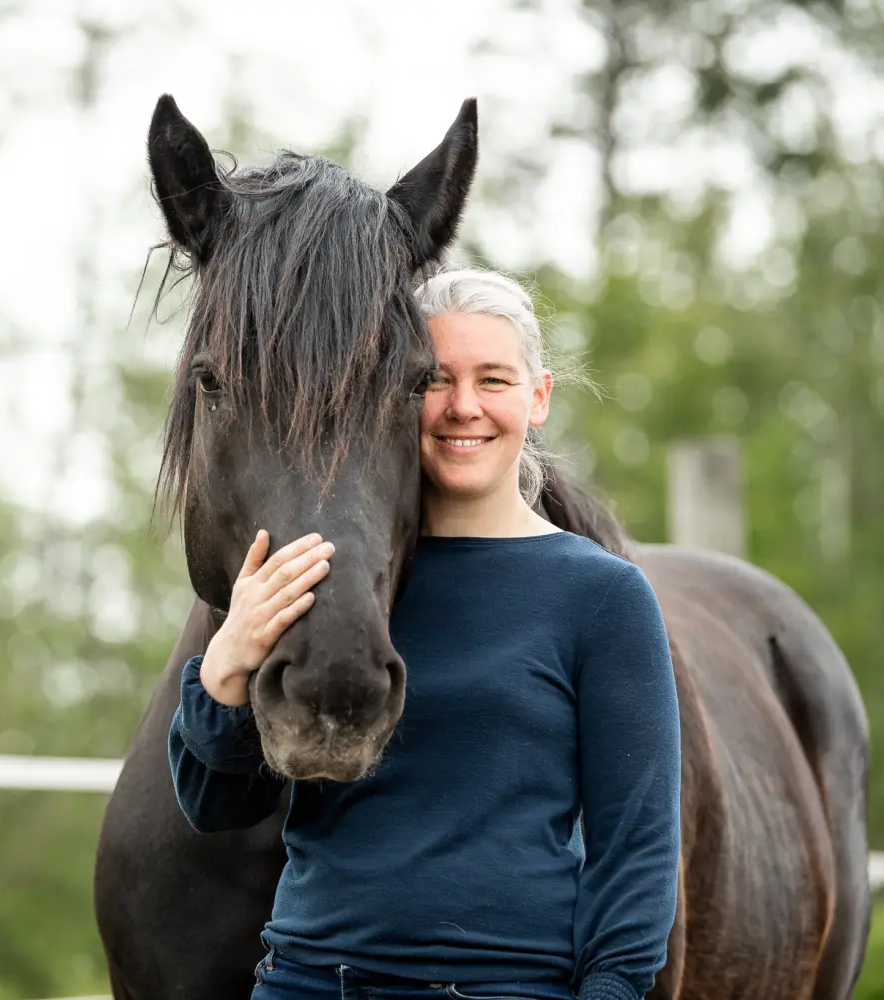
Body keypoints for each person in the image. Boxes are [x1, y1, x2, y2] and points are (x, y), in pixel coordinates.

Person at [168, 266, 681, 1000]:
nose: (463, 407)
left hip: (504, 987)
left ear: (537, 400)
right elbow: (216, 809)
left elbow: (636, 850)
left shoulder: (600, 596)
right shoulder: (333, 580)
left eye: (495, 381)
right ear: (395, 396)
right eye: (436, 380)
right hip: (310, 982)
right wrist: (224, 668)